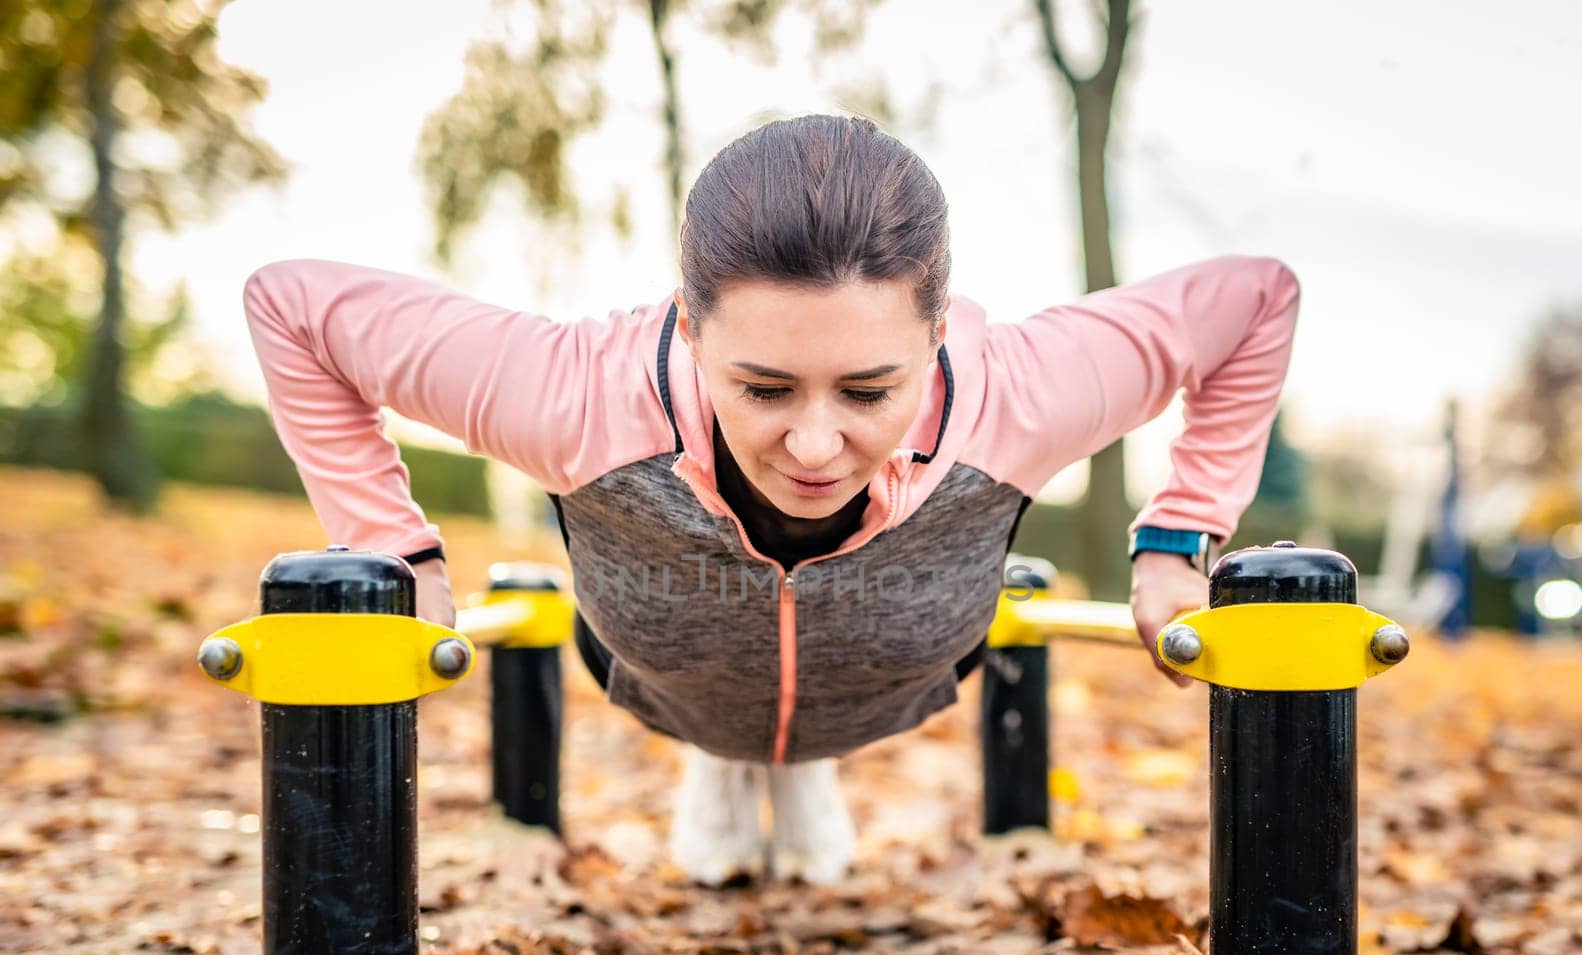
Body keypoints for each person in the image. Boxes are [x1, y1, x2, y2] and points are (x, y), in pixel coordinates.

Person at [242, 114, 1301, 887]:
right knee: (717, 715)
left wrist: (1175, 537)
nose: (812, 443)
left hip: (899, 674)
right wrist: (399, 551)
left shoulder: (1019, 391)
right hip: (661, 671)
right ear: (690, 331)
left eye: (868, 389)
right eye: (762, 387)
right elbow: (291, 306)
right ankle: (725, 759)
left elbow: (1255, 299)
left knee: (811, 733)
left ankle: (795, 768)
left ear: (935, 336)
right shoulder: (573, 392)